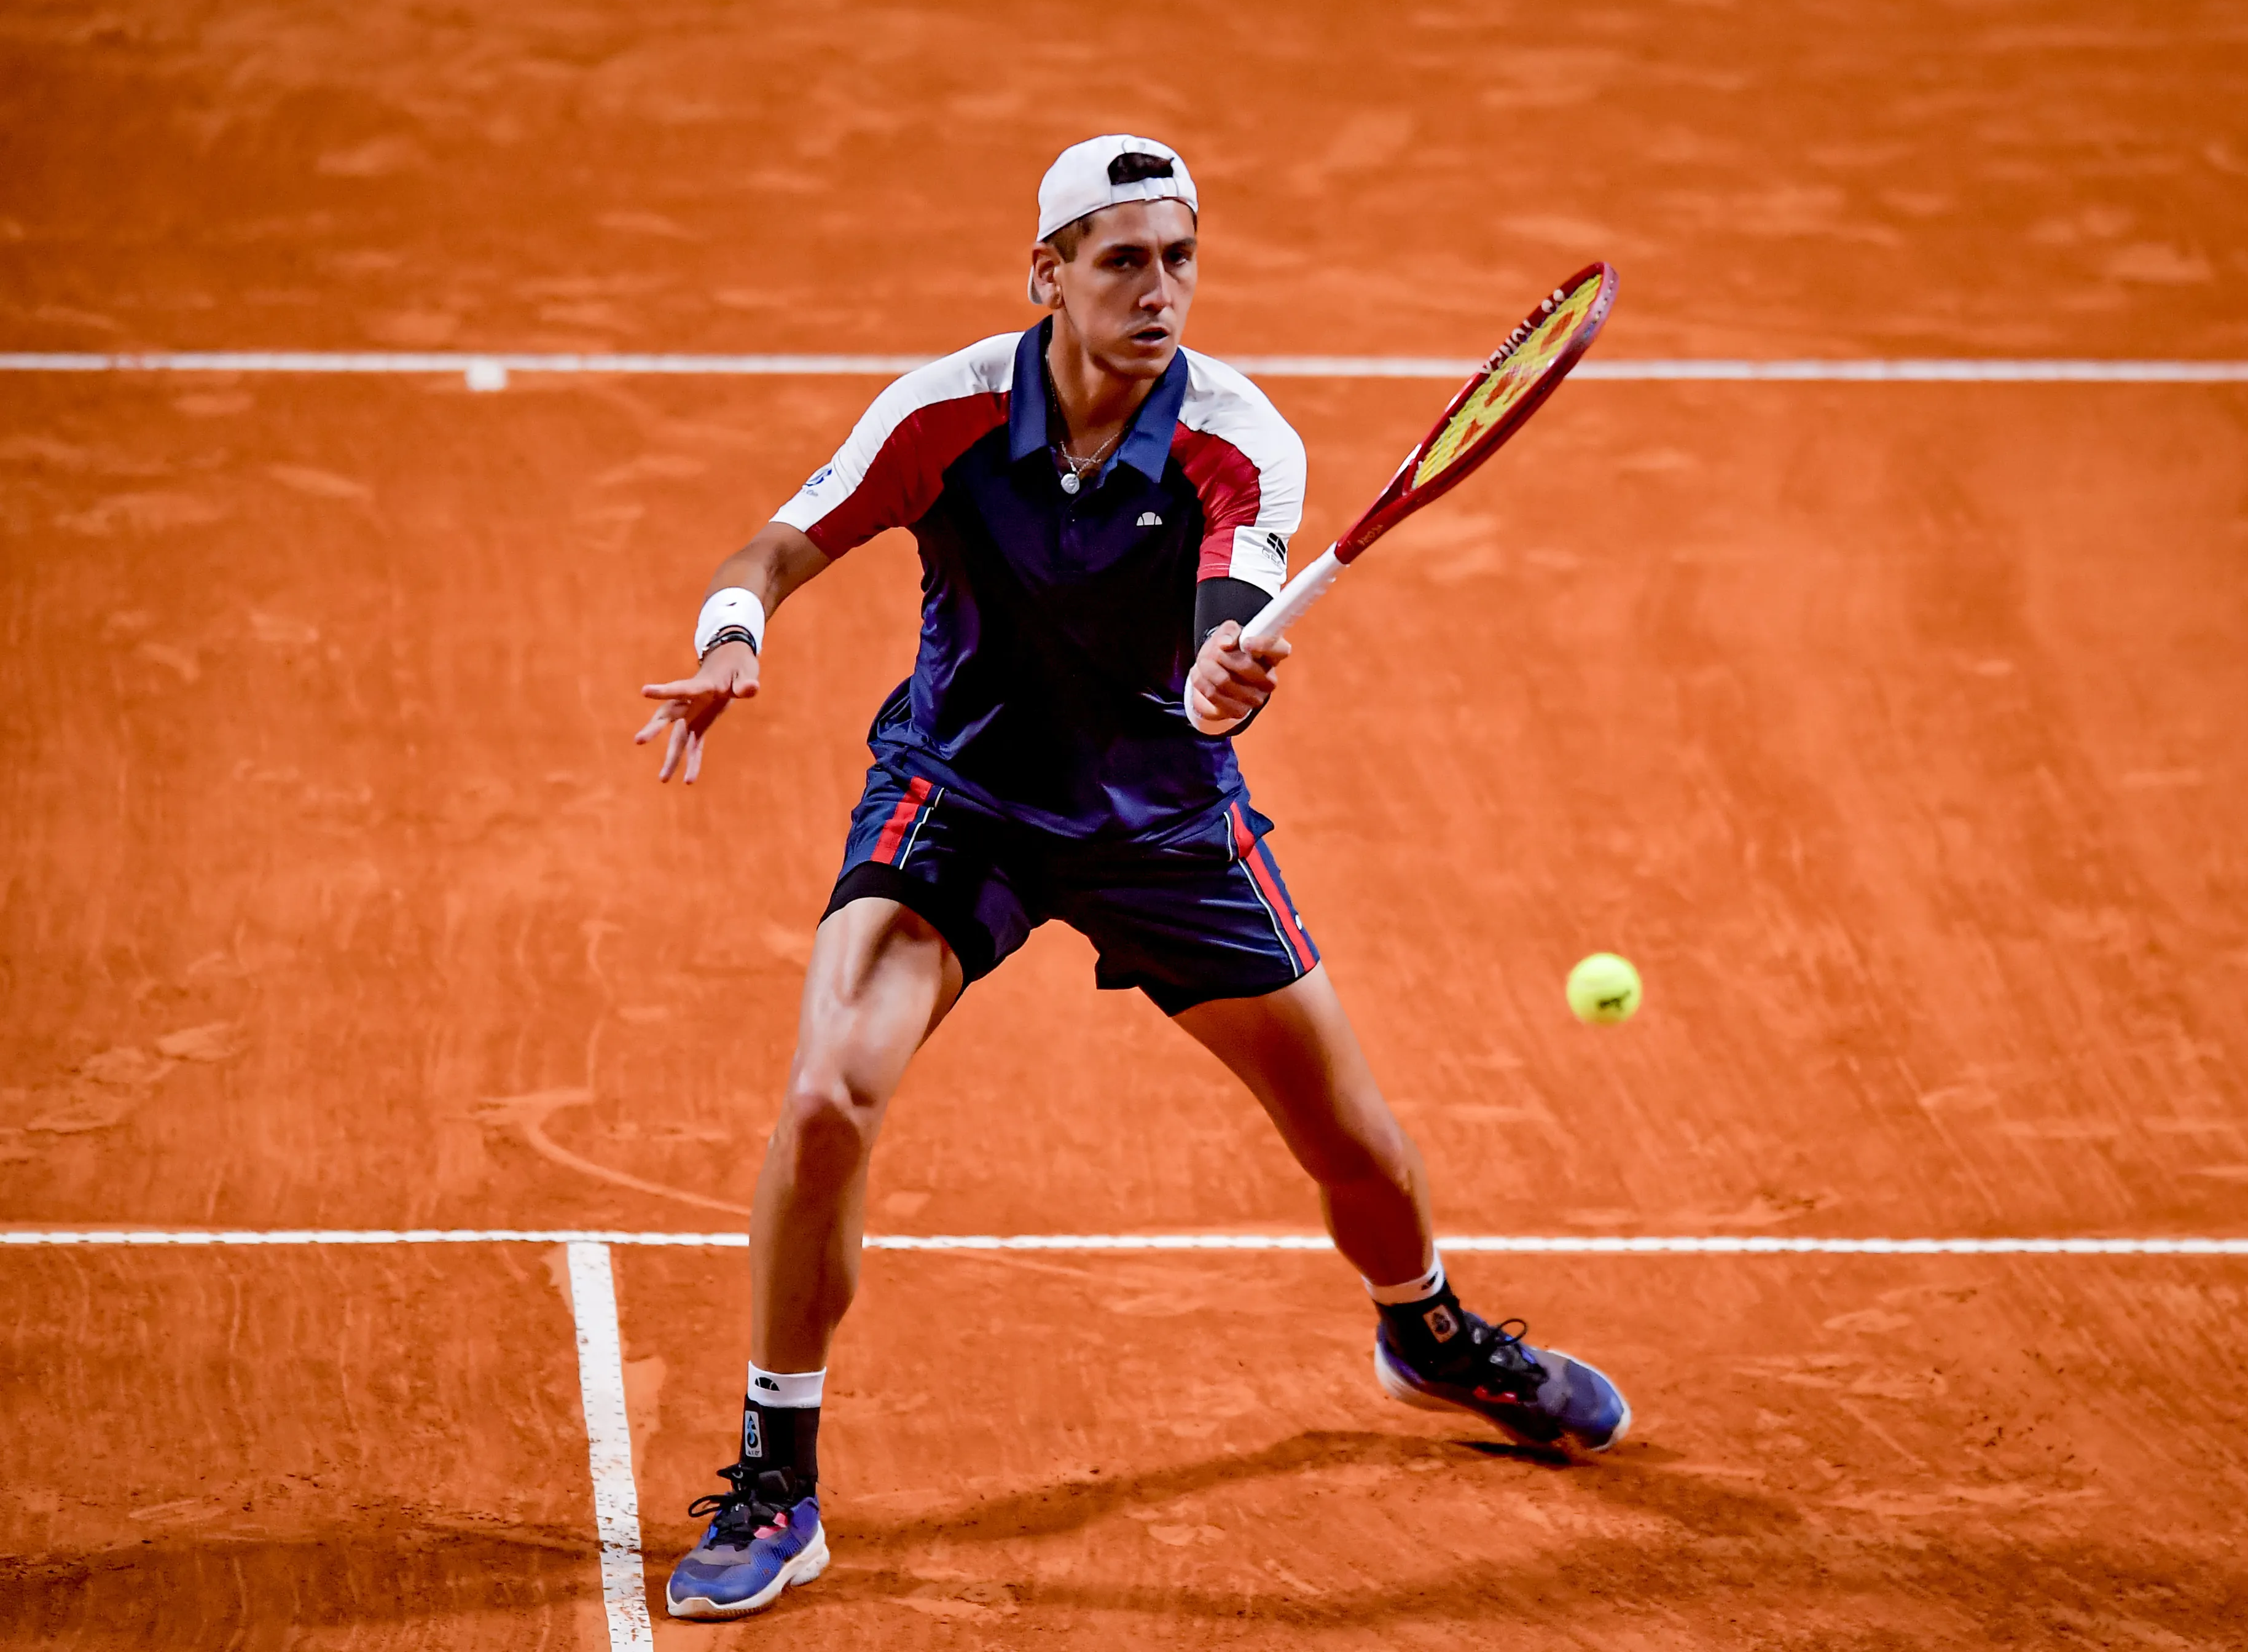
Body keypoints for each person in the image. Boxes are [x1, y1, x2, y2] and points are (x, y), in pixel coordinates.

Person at [632, 134, 1631, 1621]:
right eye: (1121, 261)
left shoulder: (1239, 438)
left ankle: (1421, 1331)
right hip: (959, 797)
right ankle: (779, 1473)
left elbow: (1231, 604)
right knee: (827, 1089)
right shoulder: (951, 410)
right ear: (1046, 274)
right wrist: (734, 633)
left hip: (1158, 821)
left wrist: (1224, 673)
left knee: (1353, 1145)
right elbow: (777, 543)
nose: (1157, 292)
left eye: (1178, 259)